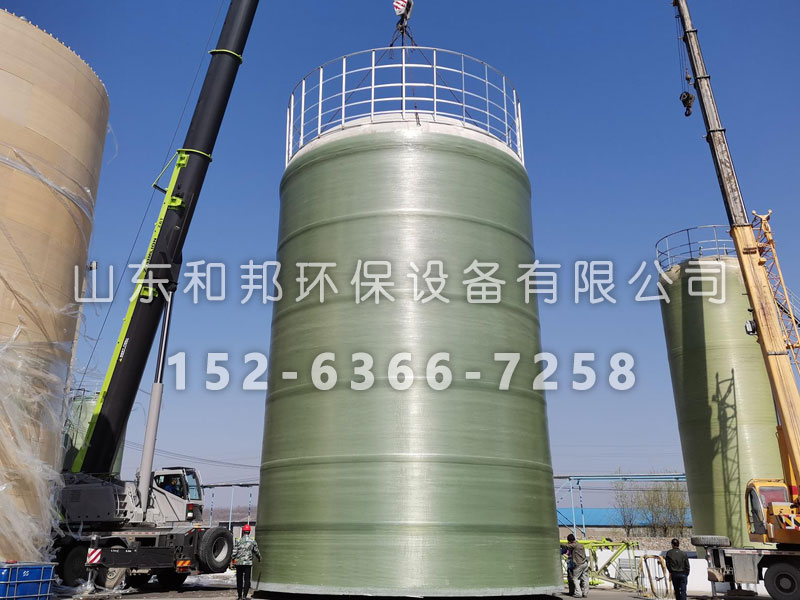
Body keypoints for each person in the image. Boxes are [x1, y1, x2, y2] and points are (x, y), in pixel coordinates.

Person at [232, 524, 261, 600]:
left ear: (243, 531)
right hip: (248, 563)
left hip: (239, 563)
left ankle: (239, 596)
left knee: (239, 579)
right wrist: (259, 558)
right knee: (247, 579)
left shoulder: (239, 541)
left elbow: (234, 552)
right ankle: (245, 596)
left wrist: (232, 558)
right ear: (249, 532)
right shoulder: (252, 541)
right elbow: (256, 551)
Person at [565, 533, 589, 598]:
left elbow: (566, 546)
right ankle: (585, 593)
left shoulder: (574, 545)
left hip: (579, 564)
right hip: (585, 563)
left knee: (575, 578)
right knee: (585, 578)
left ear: (570, 541)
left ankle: (578, 593)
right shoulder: (580, 545)